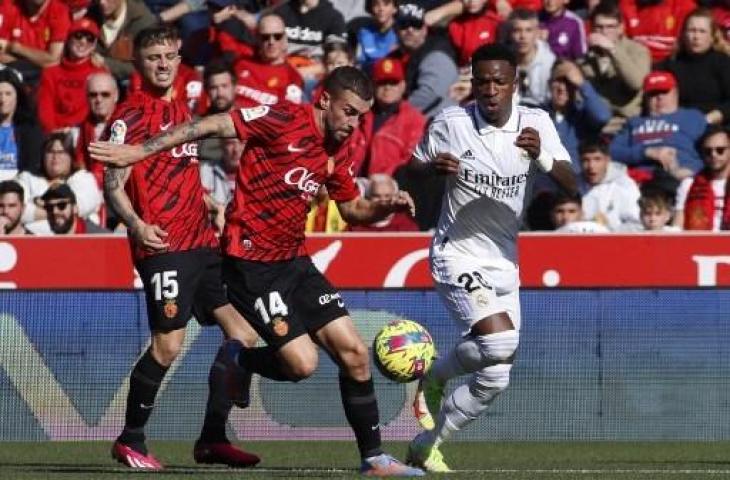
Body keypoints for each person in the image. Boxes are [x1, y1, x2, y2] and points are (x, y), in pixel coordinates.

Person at [90, 65, 425, 477]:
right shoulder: (283, 117)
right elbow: (211, 124)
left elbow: (352, 209)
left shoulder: (340, 148)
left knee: (355, 353)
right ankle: (242, 364)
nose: (354, 124)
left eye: (360, 116)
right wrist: (140, 151)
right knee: (303, 365)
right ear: (324, 99)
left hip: (296, 261)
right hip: (250, 265)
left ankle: (374, 459)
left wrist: (384, 207)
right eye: (349, 112)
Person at [404, 43, 576, 472]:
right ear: (473, 83)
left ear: (515, 84)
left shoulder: (536, 122)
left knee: (497, 374)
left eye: (500, 81)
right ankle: (436, 377)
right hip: (456, 254)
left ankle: (427, 445)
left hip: (505, 260)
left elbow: (572, 185)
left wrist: (542, 155)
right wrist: (432, 171)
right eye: (483, 81)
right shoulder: (450, 122)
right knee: (501, 342)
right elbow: (411, 169)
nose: (491, 90)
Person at [95, 26, 260, 470]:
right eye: (154, 57)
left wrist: (207, 201)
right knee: (168, 346)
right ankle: (130, 439)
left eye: (170, 55)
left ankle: (212, 439)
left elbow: (177, 170)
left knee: (241, 334)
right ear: (138, 64)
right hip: (164, 246)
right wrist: (135, 223)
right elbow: (114, 185)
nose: (164, 64)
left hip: (204, 244)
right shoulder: (129, 117)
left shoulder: (184, 109)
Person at [578, 1, 651, 135]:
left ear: (621, 28)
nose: (604, 32)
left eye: (610, 27)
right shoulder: (585, 59)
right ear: (592, 28)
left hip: (628, 123)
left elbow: (636, 83)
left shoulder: (638, 51)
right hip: (595, 125)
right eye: (599, 27)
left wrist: (612, 50)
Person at [658, 8, 730, 127]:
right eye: (691, 30)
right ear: (683, 34)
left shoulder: (723, 62)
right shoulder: (670, 64)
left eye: (702, 31)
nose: (696, 36)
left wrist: (708, 119)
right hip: (678, 124)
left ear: (712, 36)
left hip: (715, 124)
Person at [16, 132, 102, 232]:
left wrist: (38, 206)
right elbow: (12, 210)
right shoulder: (27, 178)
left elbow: (81, 207)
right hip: (32, 240)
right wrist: (60, 208)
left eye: (61, 152)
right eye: (50, 152)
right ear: (43, 156)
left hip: (79, 240)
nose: (55, 157)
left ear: (71, 157)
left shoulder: (83, 178)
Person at [37, 17, 107, 134]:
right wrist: (54, 133)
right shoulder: (51, 73)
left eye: (89, 39)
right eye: (78, 36)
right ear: (68, 39)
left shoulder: (100, 73)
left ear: (94, 45)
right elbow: (45, 111)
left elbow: (103, 110)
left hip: (87, 133)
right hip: (56, 134)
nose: (83, 42)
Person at [673, 125, 730, 230]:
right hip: (699, 244)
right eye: (708, 151)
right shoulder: (688, 184)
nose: (714, 155)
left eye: (720, 150)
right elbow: (677, 226)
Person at [578, 140, 641, 231]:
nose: (591, 166)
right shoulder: (573, 185)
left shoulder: (625, 185)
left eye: (597, 159)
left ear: (607, 160)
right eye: (586, 160)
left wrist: (607, 230)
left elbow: (637, 224)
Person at [75, 72, 120, 189]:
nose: (98, 99)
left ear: (116, 96)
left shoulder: (129, 126)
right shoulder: (79, 131)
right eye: (93, 95)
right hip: (90, 190)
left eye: (105, 94)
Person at [0, 68, 43, 180]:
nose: (2, 99)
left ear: (17, 97)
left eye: (8, 94)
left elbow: (31, 167)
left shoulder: (30, 130)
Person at [349, 174, 420, 231]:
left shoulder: (407, 227)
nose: (382, 200)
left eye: (387, 196)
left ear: (395, 196)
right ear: (367, 197)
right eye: (377, 196)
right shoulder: (353, 226)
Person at [41, 182, 110, 234]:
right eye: (49, 207)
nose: (55, 211)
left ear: (75, 208)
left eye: (61, 205)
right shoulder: (42, 239)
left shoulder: (101, 240)